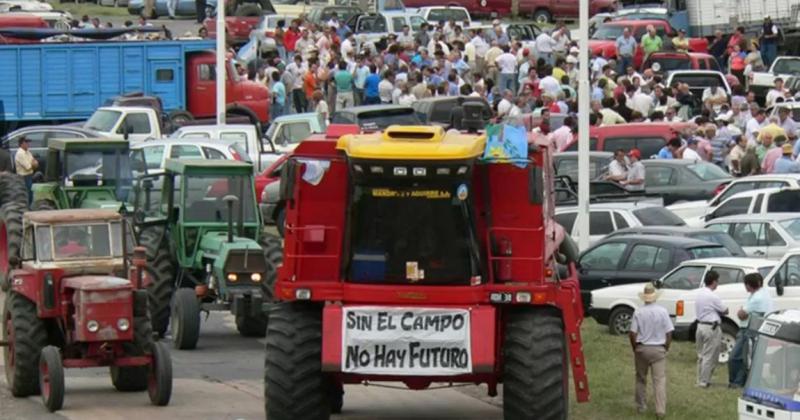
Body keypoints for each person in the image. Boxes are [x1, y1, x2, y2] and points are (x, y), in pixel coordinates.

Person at [629, 283, 673, 420]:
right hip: (658, 348)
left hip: (642, 348)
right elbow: (669, 332)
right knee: (659, 380)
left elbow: (632, 333)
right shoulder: (663, 311)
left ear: (644, 298)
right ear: (655, 297)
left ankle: (641, 406)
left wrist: (635, 348)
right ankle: (660, 410)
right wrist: (666, 346)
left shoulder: (638, 311)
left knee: (641, 378)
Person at [729, 273, 773, 388]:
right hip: (757, 329)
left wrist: (741, 311)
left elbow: (742, 314)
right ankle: (742, 381)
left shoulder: (757, 298)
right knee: (748, 357)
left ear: (749, 285)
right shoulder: (764, 294)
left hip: (748, 330)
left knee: (736, 357)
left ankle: (736, 382)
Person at [694, 270, 728, 388]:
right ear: (714, 282)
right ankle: (704, 381)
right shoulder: (712, 296)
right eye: (717, 281)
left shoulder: (699, 294)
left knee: (701, 354)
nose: (718, 283)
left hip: (700, 325)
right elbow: (725, 310)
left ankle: (699, 379)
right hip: (711, 327)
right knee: (710, 355)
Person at [15, 137, 37, 204]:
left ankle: (28, 207)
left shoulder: (27, 152)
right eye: (26, 142)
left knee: (30, 194)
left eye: (28, 142)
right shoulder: (20, 153)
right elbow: (28, 167)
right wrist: (33, 164)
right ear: (21, 143)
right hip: (23, 177)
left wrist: (33, 164)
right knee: (25, 194)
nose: (28, 144)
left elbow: (35, 163)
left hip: (29, 176)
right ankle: (24, 208)